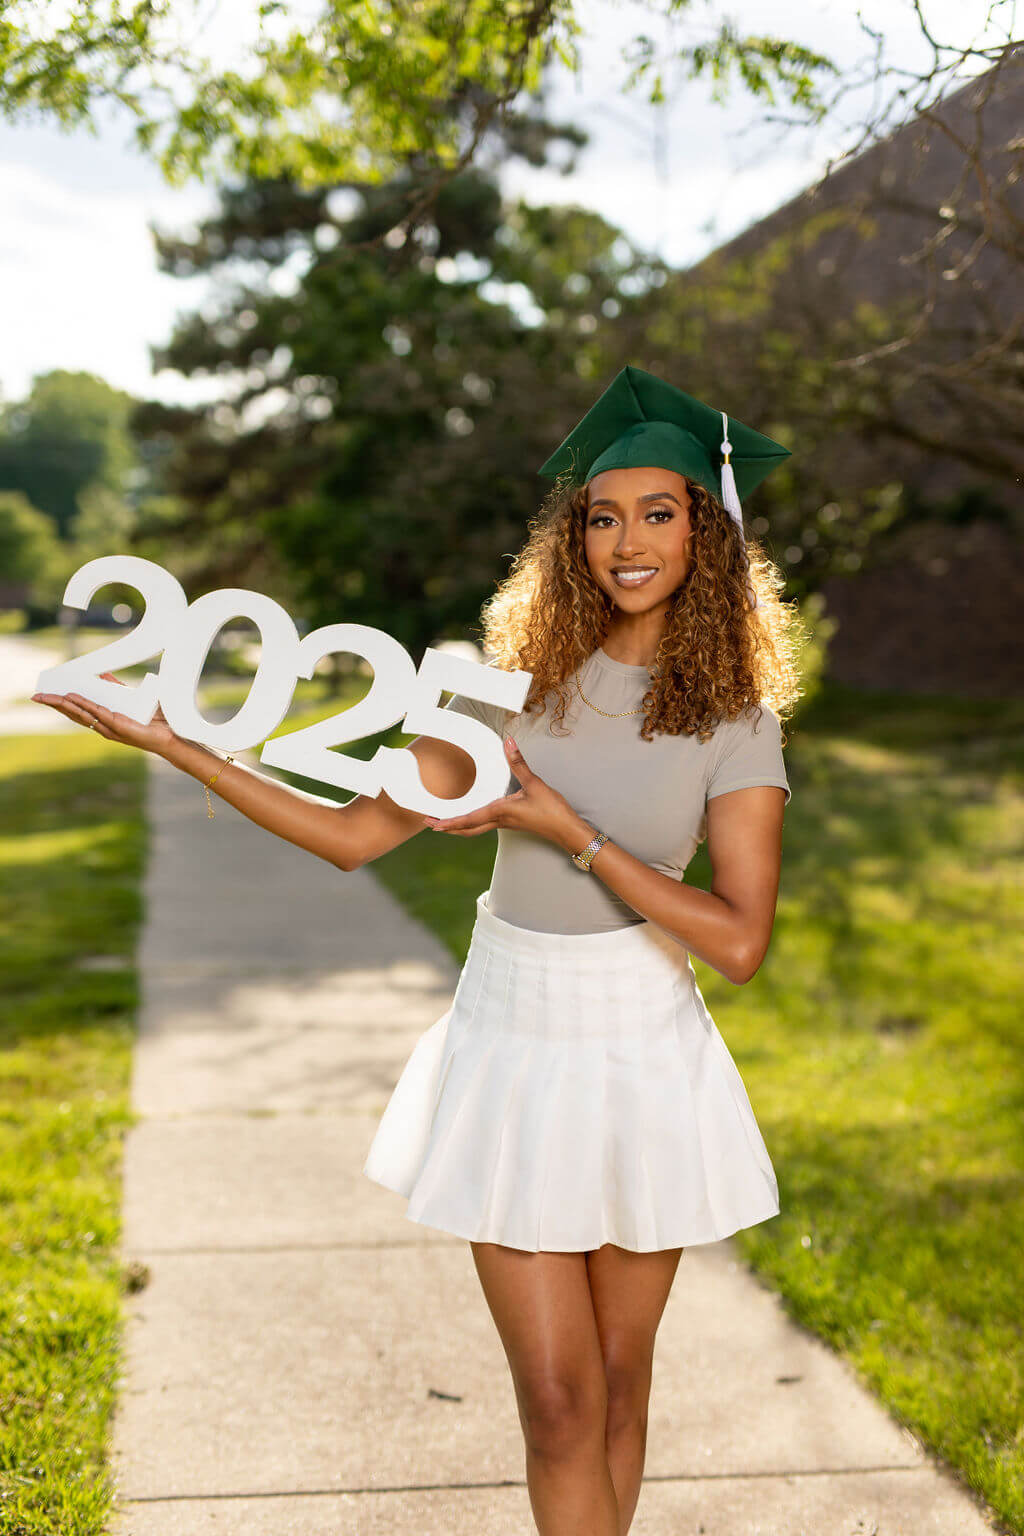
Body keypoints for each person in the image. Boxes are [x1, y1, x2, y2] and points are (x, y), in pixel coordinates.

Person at [33, 363, 802, 1536]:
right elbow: (351, 838)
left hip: (642, 1053)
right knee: (555, 1401)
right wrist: (178, 744)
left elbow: (739, 941)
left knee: (616, 1383)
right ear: (571, 537)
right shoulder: (498, 693)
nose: (627, 541)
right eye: (603, 516)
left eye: (659, 513)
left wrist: (567, 831)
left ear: (708, 531)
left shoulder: (733, 718)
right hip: (512, 1043)